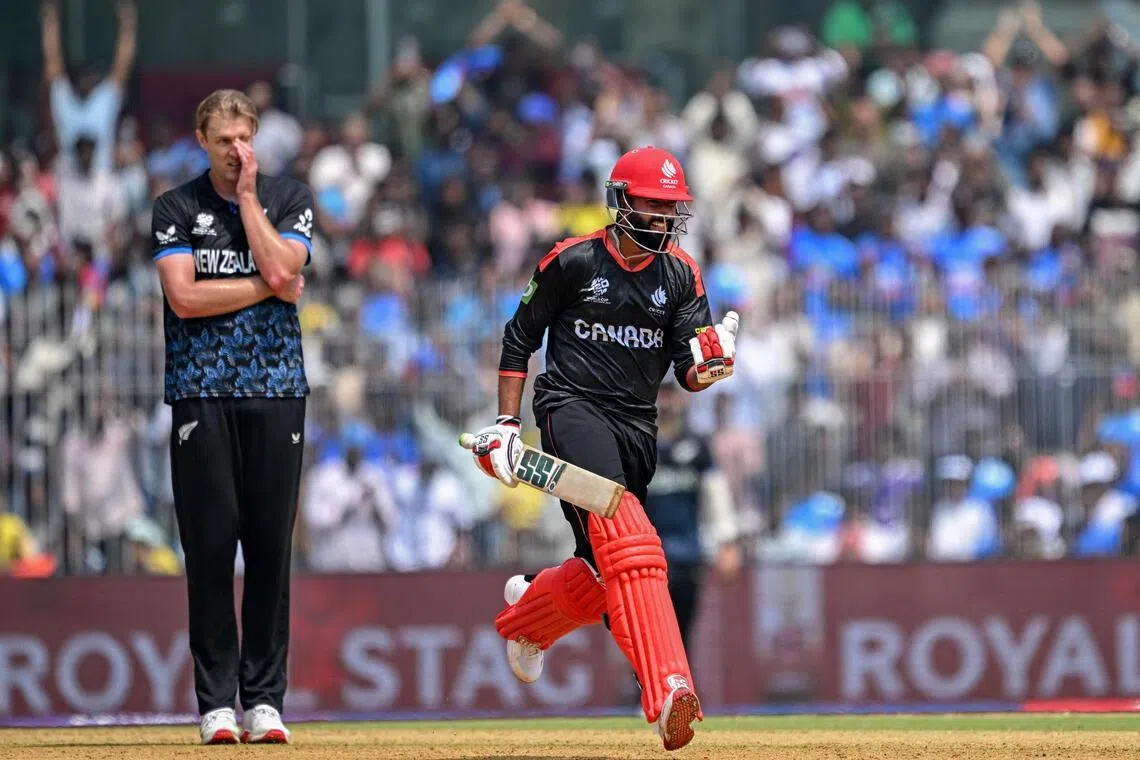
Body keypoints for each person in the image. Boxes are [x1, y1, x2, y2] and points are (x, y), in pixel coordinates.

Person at [466, 146, 739, 751]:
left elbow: (689, 371)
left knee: (605, 569)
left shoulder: (680, 275)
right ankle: (668, 686)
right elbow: (519, 340)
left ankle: (530, 616)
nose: (664, 219)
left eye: (672, 209)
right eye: (652, 205)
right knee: (635, 541)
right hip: (570, 409)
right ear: (620, 201)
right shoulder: (573, 260)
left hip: (638, 427)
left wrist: (712, 365)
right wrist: (507, 425)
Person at [150, 89, 314, 745]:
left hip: (277, 389)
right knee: (212, 547)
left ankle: (265, 701)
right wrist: (266, 287)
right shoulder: (176, 206)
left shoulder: (287, 197)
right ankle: (217, 703)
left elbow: (286, 263)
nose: (236, 152)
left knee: (271, 549)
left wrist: (248, 200)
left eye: (244, 139)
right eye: (224, 142)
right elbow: (185, 297)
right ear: (201, 139)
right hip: (199, 390)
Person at [644, 380, 741, 652]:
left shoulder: (697, 445)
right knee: (646, 633)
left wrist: (727, 542)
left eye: (671, 394)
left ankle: (680, 690)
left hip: (687, 553)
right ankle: (644, 689)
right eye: (660, 393)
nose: (666, 401)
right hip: (646, 555)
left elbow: (716, 494)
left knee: (682, 633)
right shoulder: (639, 443)